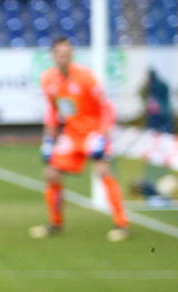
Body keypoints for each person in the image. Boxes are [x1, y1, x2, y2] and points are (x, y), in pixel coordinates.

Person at [31, 37, 130, 242]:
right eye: (59, 54)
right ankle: (55, 222)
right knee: (50, 174)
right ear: (53, 56)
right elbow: (53, 110)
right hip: (71, 134)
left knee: (103, 170)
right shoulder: (48, 79)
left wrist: (102, 134)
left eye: (66, 54)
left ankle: (122, 224)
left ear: (71, 56)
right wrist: (49, 139)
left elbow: (106, 107)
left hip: (94, 132)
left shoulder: (86, 77)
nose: (63, 58)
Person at [142, 69, 173, 134]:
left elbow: (152, 99)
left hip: (158, 112)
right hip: (166, 111)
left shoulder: (153, 85)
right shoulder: (163, 84)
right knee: (166, 134)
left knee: (155, 133)